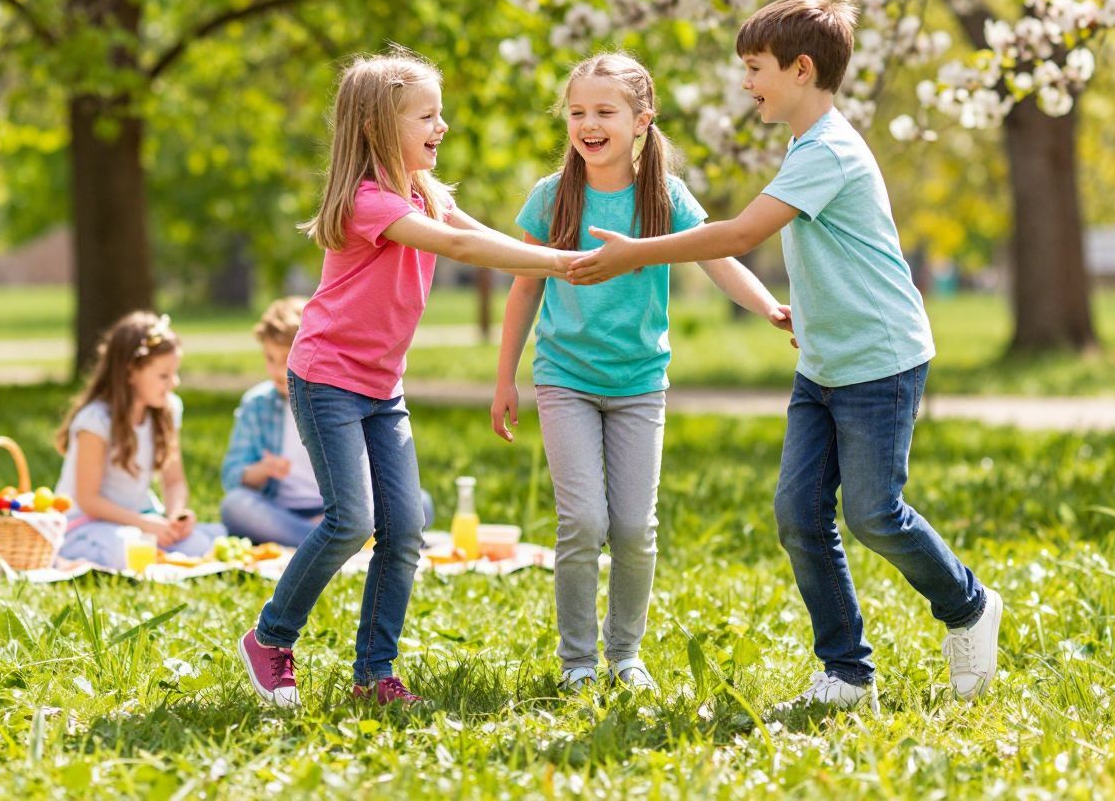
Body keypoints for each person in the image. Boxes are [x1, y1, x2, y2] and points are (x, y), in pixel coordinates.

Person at [569, 0, 1002, 712]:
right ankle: (846, 673)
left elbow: (741, 235)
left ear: (802, 70)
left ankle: (967, 605)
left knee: (871, 513)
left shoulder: (830, 148)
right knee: (799, 513)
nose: (747, 84)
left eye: (756, 67)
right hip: (824, 363)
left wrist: (638, 251)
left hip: (881, 361)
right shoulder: (805, 144)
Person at [236, 48, 580, 709]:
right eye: (426, 115)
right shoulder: (369, 203)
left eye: (439, 113)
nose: (441, 126)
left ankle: (374, 674)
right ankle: (271, 638)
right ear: (376, 129)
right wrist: (561, 265)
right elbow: (458, 248)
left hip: (381, 388)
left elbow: (480, 236)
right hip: (328, 379)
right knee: (349, 521)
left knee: (403, 532)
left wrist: (554, 259)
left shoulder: (425, 192)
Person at [492, 52, 792, 693]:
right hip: (564, 377)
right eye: (577, 112)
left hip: (638, 384)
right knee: (583, 523)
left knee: (632, 528)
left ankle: (624, 654)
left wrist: (769, 306)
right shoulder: (552, 197)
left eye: (605, 111)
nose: (588, 123)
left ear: (641, 122)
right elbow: (522, 291)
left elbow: (718, 257)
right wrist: (503, 379)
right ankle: (576, 661)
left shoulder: (664, 196)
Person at [220, 295, 435, 546]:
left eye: (287, 359)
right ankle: (331, 541)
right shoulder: (257, 404)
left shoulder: (342, 399)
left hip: (347, 512)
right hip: (284, 512)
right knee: (235, 506)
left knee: (420, 503)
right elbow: (232, 475)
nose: (278, 371)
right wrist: (262, 471)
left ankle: (327, 539)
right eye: (270, 359)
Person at [55, 312, 225, 568]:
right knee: (130, 548)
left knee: (202, 544)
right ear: (130, 372)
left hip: (141, 520)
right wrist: (144, 524)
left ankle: (157, 550)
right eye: (163, 376)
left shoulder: (167, 410)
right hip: (88, 523)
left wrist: (176, 515)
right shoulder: (95, 420)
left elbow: (174, 481)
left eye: (174, 373)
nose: (174, 383)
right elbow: (88, 499)